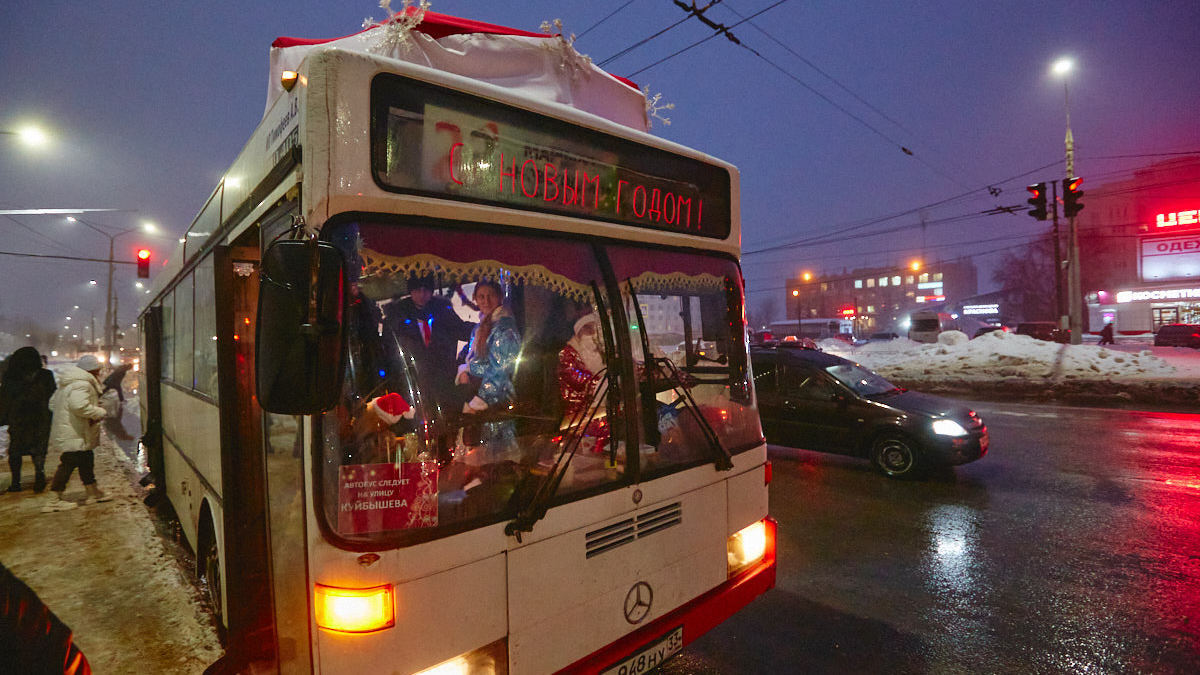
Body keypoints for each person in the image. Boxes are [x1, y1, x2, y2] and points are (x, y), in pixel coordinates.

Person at [383, 274, 475, 414]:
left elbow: (461, 330)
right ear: (410, 290)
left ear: (431, 291)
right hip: (412, 383)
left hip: (443, 384)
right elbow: (389, 351)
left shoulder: (443, 312)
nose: (422, 294)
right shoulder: (397, 317)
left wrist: (485, 326)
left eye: (426, 290)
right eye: (417, 290)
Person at [41, 355, 112, 512]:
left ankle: (92, 493)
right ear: (92, 371)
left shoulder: (68, 383)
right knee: (69, 462)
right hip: (76, 431)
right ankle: (53, 500)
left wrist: (65, 416)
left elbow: (53, 404)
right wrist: (98, 412)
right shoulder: (82, 384)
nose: (100, 374)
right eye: (98, 371)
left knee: (86, 459)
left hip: (73, 429)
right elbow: (79, 406)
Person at [456, 280, 521, 414]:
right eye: (481, 296)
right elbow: (474, 359)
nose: (486, 301)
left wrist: (480, 400)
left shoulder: (504, 328)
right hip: (476, 392)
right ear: (476, 299)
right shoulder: (479, 328)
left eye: (491, 295)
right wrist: (465, 371)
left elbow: (500, 368)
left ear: (500, 297)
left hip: (496, 401)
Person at [0, 346, 57, 493]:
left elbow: (4, 398)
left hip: (18, 418)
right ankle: (39, 475)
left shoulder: (10, 377)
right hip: (41, 418)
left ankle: (16, 482)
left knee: (15, 450)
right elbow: (53, 396)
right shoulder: (46, 375)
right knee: (38, 449)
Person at [558, 312, 610, 452]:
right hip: (578, 420)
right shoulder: (568, 353)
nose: (592, 334)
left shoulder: (604, 353)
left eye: (595, 330)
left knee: (605, 458)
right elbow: (578, 378)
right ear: (579, 331)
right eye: (588, 329)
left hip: (602, 417)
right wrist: (603, 383)